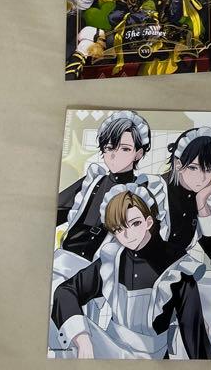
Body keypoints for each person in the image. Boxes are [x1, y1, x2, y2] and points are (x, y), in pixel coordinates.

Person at [51, 184, 211, 359]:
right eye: (119, 229)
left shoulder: (178, 266)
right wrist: (82, 339)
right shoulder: (112, 258)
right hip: (108, 348)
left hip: (152, 359)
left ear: (148, 222)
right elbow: (66, 291)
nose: (127, 235)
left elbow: (193, 333)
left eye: (135, 223)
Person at [54, 111, 166, 264]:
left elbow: (151, 242)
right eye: (109, 147)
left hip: (104, 269)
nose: (115, 155)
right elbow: (54, 212)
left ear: (138, 153)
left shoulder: (142, 193)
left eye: (125, 149)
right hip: (64, 259)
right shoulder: (92, 181)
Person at [164, 127, 211, 264]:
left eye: (209, 170)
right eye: (193, 167)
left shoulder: (204, 198)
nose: (201, 178)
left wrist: (201, 202)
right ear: (178, 164)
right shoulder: (154, 190)